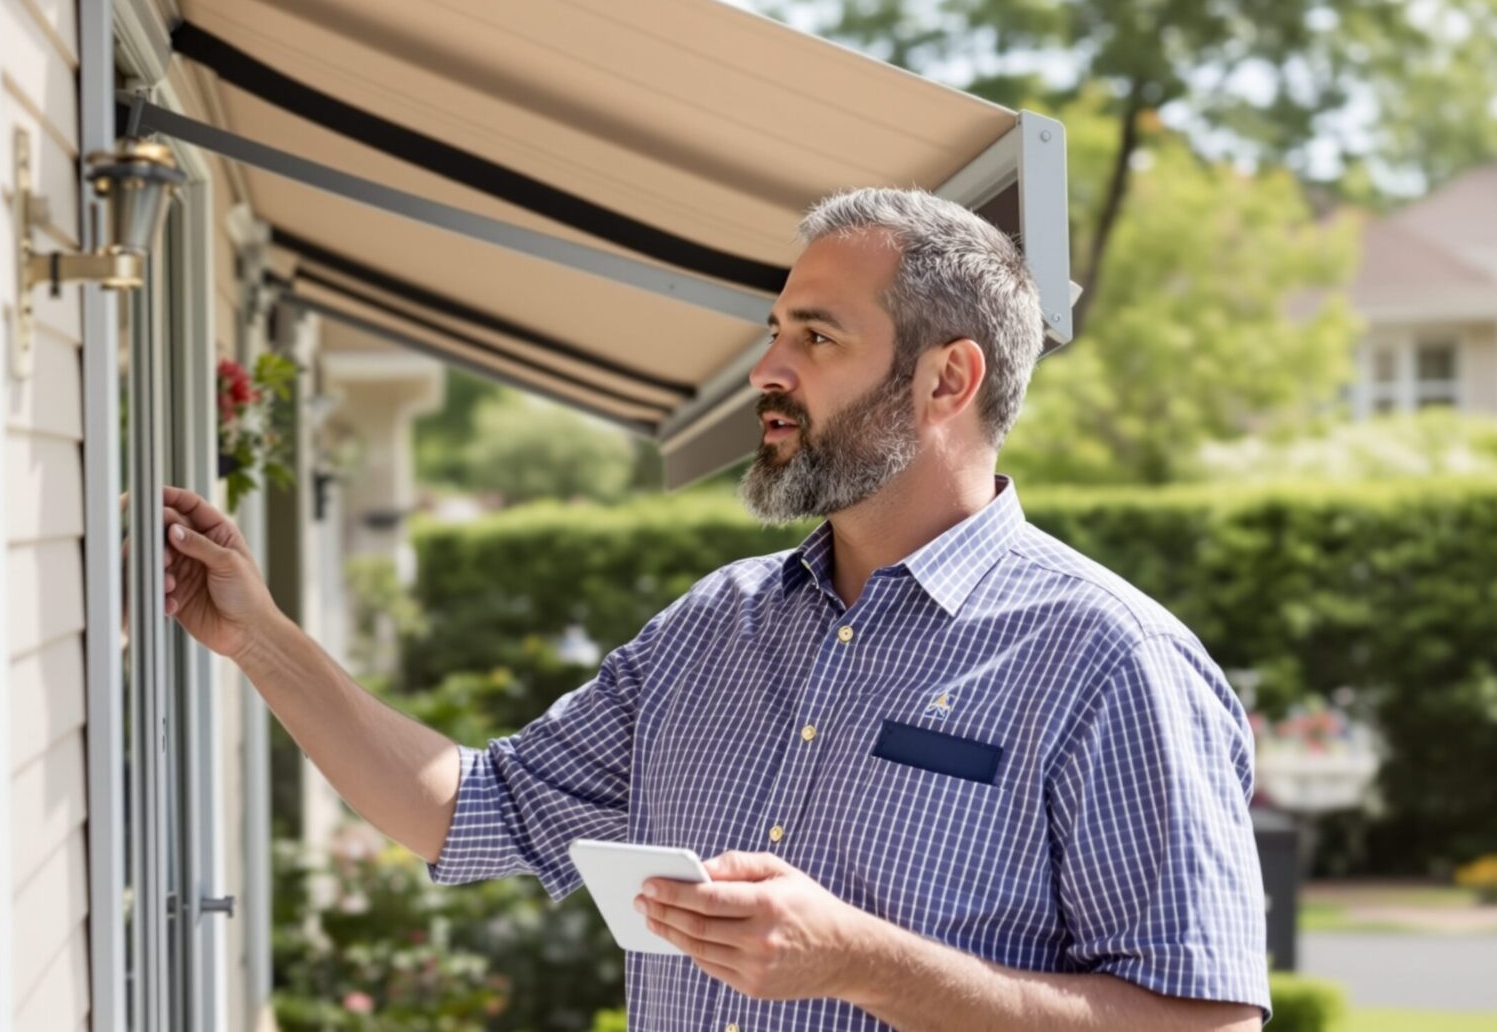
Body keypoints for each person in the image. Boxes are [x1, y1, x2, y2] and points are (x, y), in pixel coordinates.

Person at [157, 188, 1270, 1031]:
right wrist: (258, 637)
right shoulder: (714, 626)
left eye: (816, 338)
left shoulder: (1107, 659)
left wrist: (860, 961)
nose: (766, 370)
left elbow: (1204, 1021)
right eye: (776, 330)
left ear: (948, 380)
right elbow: (471, 806)